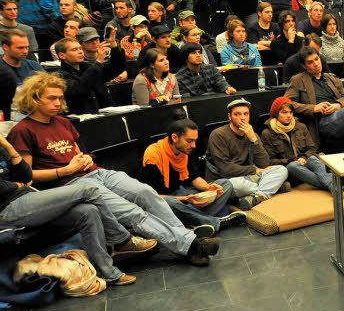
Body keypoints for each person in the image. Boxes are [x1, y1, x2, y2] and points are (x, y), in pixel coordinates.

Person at [8, 72, 220, 266]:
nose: (58, 102)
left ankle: (185, 241)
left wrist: (84, 159)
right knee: (131, 212)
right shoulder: (22, 130)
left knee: (146, 193)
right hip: (71, 184)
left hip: (96, 172)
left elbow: (77, 152)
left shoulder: (63, 122)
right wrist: (64, 171)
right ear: (34, 99)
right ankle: (192, 246)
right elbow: (27, 177)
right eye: (51, 98)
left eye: (60, 98)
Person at [0, 126, 148, 286]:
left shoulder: (2, 148)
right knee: (88, 189)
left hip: (27, 197)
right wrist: (17, 185)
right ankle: (121, 239)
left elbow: (26, 176)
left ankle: (109, 273)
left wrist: (7, 146)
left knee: (88, 211)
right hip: (7, 209)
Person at [138, 120, 246, 234]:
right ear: (175, 137)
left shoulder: (185, 151)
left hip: (182, 194)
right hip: (162, 200)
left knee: (225, 184)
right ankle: (215, 222)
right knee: (171, 203)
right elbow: (151, 196)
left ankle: (195, 221)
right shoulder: (153, 156)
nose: (193, 145)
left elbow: (193, 178)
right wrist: (184, 199)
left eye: (195, 141)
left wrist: (209, 188)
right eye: (189, 141)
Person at [205, 98, 289, 210]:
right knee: (238, 185)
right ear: (229, 117)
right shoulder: (218, 135)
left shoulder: (251, 134)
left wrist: (254, 139)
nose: (243, 118)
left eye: (246, 114)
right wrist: (254, 170)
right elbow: (225, 168)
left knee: (281, 170)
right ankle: (272, 188)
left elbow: (264, 163)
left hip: (249, 177)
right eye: (237, 114)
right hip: (226, 180)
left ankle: (258, 196)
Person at [261, 97, 333, 191]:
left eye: (290, 112)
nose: (289, 115)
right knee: (292, 166)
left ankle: (332, 186)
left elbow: (312, 148)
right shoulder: (267, 133)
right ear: (276, 114)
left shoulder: (300, 126)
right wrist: (293, 160)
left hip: (304, 163)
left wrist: (303, 158)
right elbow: (270, 161)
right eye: (284, 112)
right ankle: (335, 184)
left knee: (312, 158)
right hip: (288, 169)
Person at [57, 37, 126, 114]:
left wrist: (114, 47)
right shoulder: (60, 76)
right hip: (83, 117)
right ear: (62, 55)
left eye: (80, 48)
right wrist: (98, 61)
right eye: (74, 50)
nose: (80, 52)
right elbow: (78, 89)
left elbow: (116, 69)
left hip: (105, 112)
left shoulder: (88, 67)